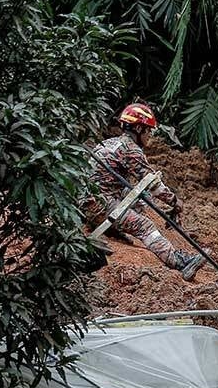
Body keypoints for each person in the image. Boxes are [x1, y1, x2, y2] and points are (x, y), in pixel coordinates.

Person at [82, 102, 206, 281]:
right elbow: (152, 184)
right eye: (149, 131)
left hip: (89, 198)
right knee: (145, 226)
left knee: (140, 200)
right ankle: (179, 262)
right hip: (100, 204)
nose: (149, 136)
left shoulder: (109, 143)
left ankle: (115, 227)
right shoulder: (131, 150)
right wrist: (174, 201)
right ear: (139, 129)